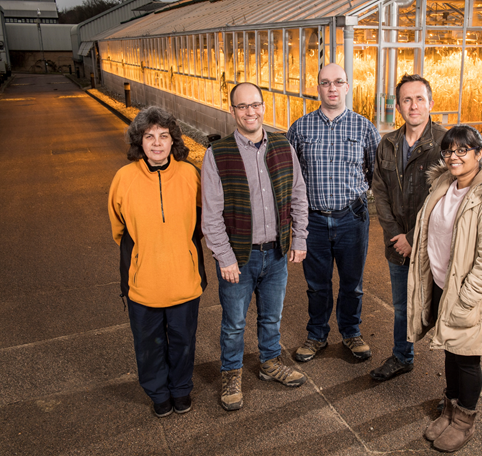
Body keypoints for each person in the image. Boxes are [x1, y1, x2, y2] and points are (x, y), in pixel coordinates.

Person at [407, 125, 482, 452]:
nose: (453, 156)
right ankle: (449, 409)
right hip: (445, 286)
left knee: (467, 359)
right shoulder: (445, 183)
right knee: (450, 351)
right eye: (448, 151)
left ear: (479, 153)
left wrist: (464, 302)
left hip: (469, 295)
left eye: (462, 150)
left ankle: (464, 421)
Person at [201, 82, 309, 412]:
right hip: (239, 257)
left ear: (264, 107)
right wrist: (224, 257)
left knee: (271, 317)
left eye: (255, 105)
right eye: (242, 106)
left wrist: (299, 237)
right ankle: (231, 373)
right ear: (232, 110)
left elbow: (298, 195)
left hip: (275, 252)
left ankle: (269, 363)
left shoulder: (282, 145)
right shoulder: (217, 154)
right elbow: (211, 213)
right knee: (234, 323)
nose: (250, 112)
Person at [108, 106, 207, 418]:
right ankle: (158, 393)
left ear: (173, 140)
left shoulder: (191, 174)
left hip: (183, 280)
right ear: (139, 142)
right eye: (149, 136)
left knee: (183, 342)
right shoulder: (123, 179)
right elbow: (119, 229)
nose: (157, 143)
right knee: (148, 345)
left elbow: (201, 222)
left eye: (164, 136)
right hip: (143, 282)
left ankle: (180, 389)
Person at [286, 63, 381, 363]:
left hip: (352, 217)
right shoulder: (300, 128)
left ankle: (351, 333)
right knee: (316, 284)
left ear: (347, 86)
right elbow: (291, 176)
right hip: (313, 219)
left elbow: (374, 171)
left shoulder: (364, 127)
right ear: (318, 88)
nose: (332, 88)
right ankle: (317, 335)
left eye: (338, 82)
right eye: (325, 82)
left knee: (352, 283)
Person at [370, 74, 446, 381]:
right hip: (398, 245)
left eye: (419, 98)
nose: (413, 105)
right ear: (398, 105)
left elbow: (447, 199)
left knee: (443, 310)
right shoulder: (388, 143)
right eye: (406, 99)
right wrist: (395, 236)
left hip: (435, 246)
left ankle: (452, 381)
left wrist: (414, 237)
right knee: (402, 306)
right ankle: (402, 356)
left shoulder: (446, 143)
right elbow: (380, 192)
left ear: (430, 102)